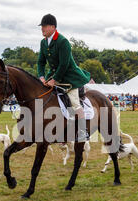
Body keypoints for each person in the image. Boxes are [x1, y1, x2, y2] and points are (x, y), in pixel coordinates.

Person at [37, 14, 91, 142]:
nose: (42, 29)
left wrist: (54, 80)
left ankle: (83, 132)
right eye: (42, 26)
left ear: (52, 27)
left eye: (44, 26)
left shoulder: (63, 41)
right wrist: (41, 77)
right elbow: (40, 62)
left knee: (74, 102)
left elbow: (64, 64)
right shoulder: (43, 42)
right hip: (53, 75)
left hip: (69, 77)